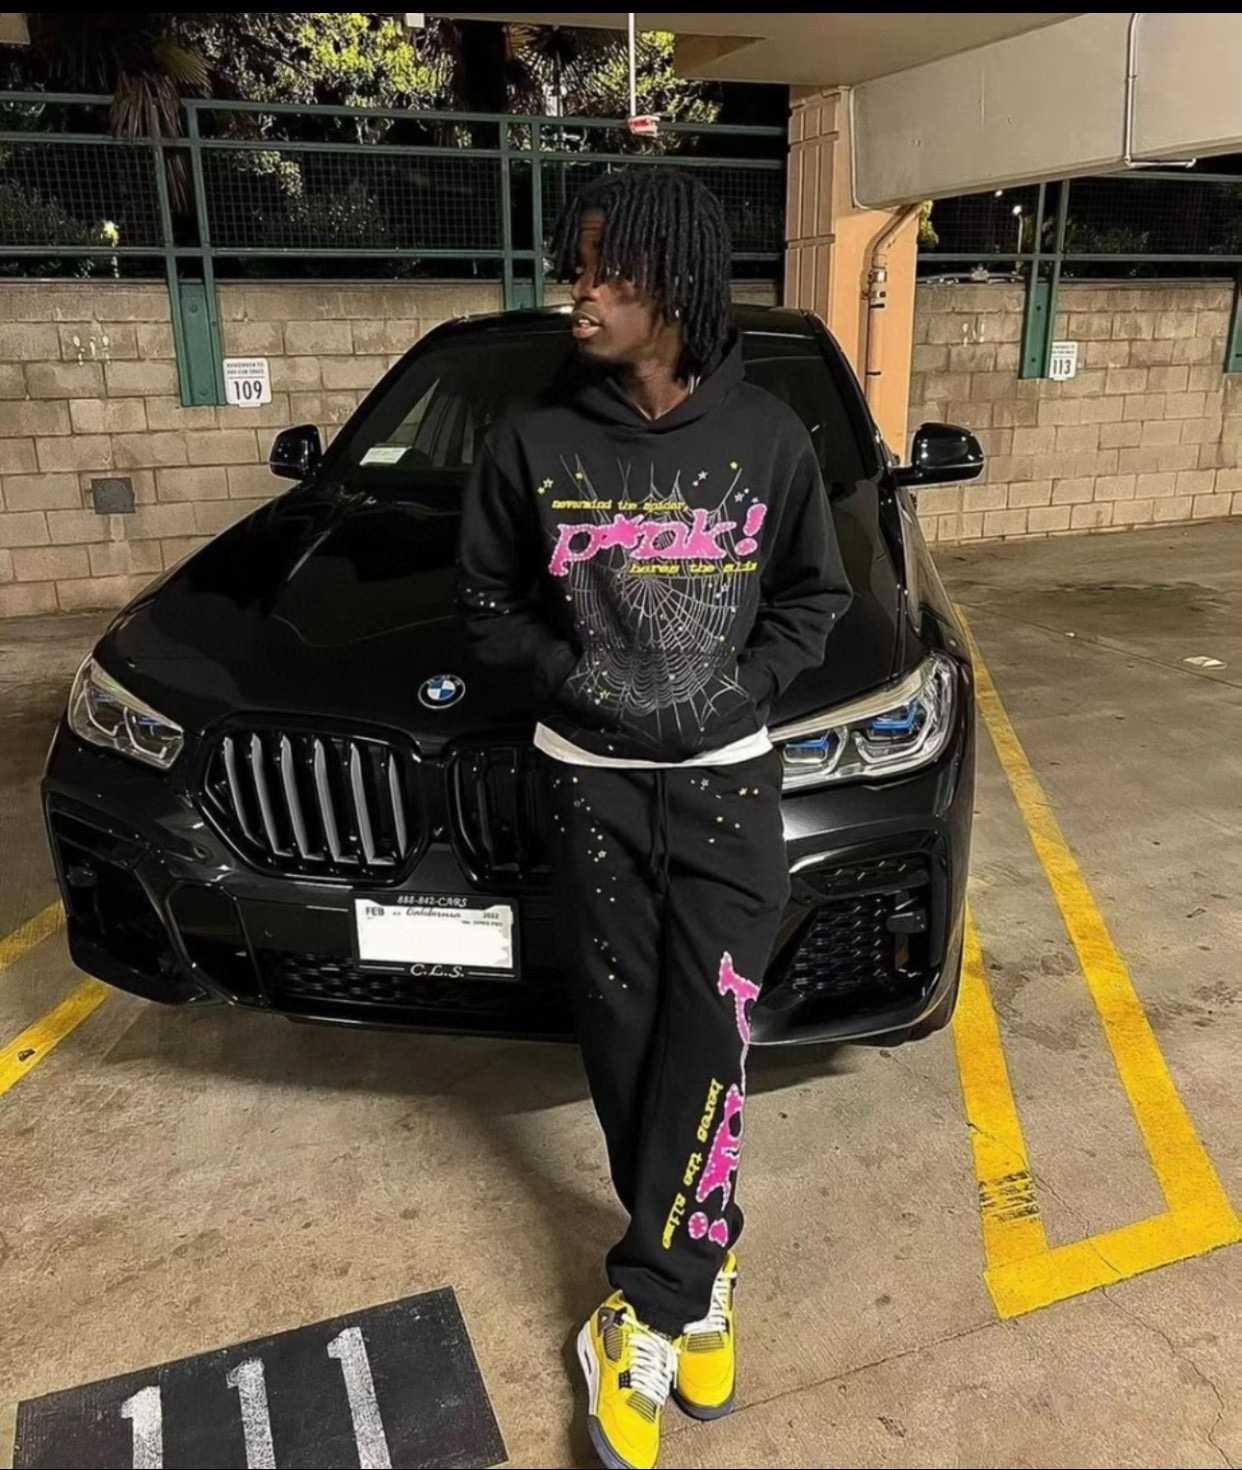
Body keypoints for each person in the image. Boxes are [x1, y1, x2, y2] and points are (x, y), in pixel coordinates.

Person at [458, 168, 852, 1470]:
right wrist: (579, 681)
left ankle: (650, 1300)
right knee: (626, 1042)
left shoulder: (770, 439)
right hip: (589, 787)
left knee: (713, 1032)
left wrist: (739, 688)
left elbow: (814, 597)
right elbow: (485, 608)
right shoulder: (531, 442)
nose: (579, 293)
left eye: (606, 271)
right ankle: (702, 1260)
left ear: (674, 283)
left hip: (729, 783)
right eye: (574, 266)